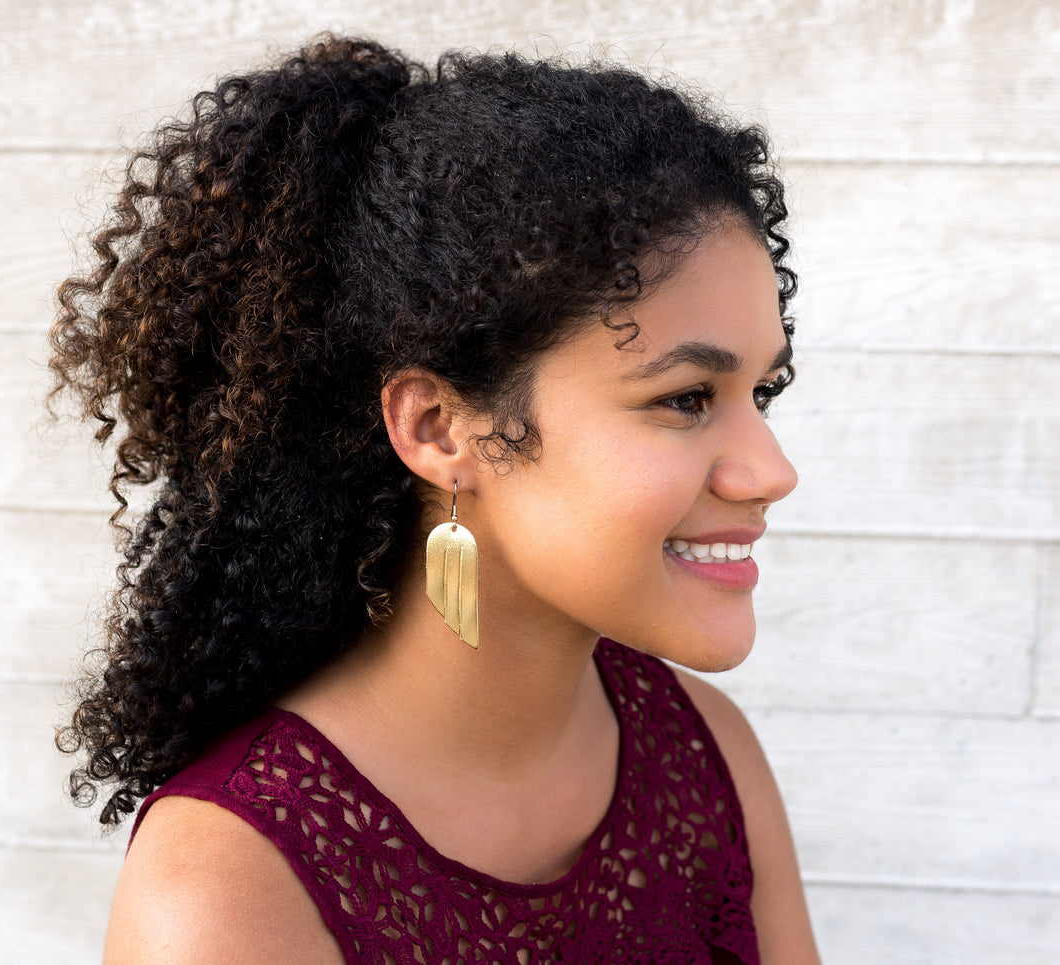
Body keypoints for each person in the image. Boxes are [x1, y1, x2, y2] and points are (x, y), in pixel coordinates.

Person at [50, 34, 820, 964]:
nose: (770, 470)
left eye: (761, 394)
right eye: (685, 398)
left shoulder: (706, 756)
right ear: (439, 429)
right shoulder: (231, 880)